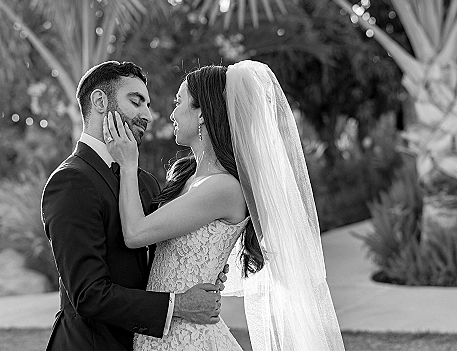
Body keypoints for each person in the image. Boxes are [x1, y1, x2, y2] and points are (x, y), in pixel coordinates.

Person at [104, 61, 345, 350]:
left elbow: (135, 233)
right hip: (161, 330)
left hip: (188, 339)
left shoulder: (224, 187)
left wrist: (128, 164)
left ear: (203, 113)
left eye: (179, 102)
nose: (172, 114)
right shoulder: (187, 177)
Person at [41, 61, 228, 351]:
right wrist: (179, 305)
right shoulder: (70, 182)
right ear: (101, 102)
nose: (147, 115)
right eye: (136, 101)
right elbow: (89, 294)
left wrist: (205, 267)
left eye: (147, 104)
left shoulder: (146, 182)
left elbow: (161, 257)